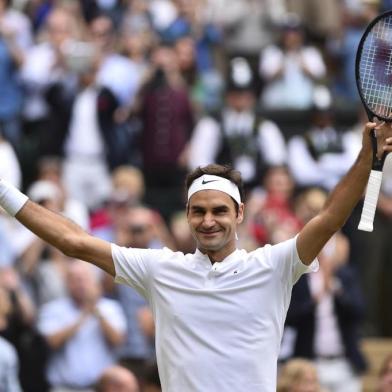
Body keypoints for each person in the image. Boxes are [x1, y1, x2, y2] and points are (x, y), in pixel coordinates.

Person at [0, 120, 392, 391]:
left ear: (239, 213)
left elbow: (327, 218)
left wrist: (365, 158)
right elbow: (75, 242)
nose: (208, 221)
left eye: (219, 210)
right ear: (186, 215)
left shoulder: (272, 265)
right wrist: (3, 193)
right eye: (198, 211)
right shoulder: (160, 268)